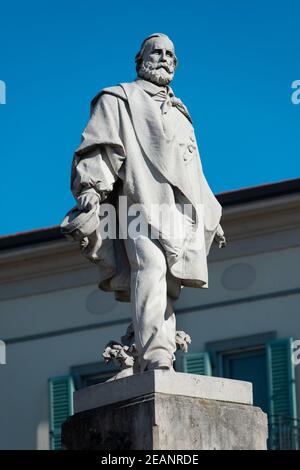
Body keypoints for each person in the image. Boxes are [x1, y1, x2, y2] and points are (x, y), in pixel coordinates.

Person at [62, 33, 226, 372]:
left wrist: (209, 211)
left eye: (170, 54)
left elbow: (192, 169)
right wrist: (92, 187)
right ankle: (156, 355)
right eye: (157, 52)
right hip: (136, 201)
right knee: (149, 267)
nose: (164, 58)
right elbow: (100, 145)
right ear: (141, 60)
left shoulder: (182, 112)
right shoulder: (118, 98)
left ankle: (148, 348)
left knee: (167, 281)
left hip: (177, 208)